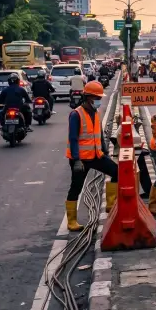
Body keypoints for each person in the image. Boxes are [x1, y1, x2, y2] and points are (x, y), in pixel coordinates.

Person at [64, 81, 118, 232]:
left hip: (96, 155)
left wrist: (105, 150)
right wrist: (76, 160)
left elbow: (98, 133)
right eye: (97, 97)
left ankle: (111, 204)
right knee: (76, 187)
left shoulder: (95, 112)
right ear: (88, 97)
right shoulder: (76, 114)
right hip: (80, 160)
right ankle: (72, 221)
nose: (99, 100)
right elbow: (73, 138)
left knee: (117, 172)